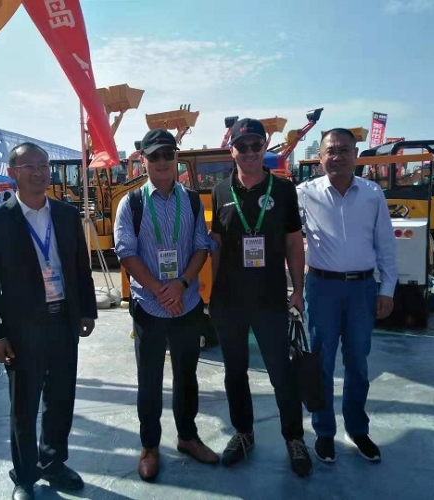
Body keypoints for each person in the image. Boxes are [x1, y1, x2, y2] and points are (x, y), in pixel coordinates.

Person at [0, 142, 98, 500]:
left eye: (43, 165)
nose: (38, 172)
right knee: (24, 405)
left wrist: (87, 309)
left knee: (61, 398)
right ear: (12, 173)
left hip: (63, 321)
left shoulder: (66, 215)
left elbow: (80, 267)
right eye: (29, 166)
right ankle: (25, 476)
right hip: (22, 328)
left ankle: (54, 462)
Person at [114, 129, 220, 482]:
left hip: (186, 304)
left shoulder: (192, 201)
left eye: (168, 154)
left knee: (187, 376)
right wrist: (161, 290)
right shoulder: (131, 203)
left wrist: (181, 284)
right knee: (149, 379)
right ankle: (149, 446)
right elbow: (126, 252)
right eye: (154, 155)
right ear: (143, 161)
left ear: (177, 158)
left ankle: (188, 437)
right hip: (150, 306)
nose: (162, 161)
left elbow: (201, 246)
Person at [209, 118, 313, 477]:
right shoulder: (220, 191)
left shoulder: (283, 189)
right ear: (232, 150)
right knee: (235, 372)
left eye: (257, 145)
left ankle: (294, 438)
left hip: (270, 299)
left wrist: (298, 290)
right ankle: (243, 433)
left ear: (265, 147)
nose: (250, 152)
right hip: (229, 301)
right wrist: (212, 293)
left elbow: (293, 243)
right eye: (243, 146)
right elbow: (217, 245)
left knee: (281, 373)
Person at [296, 128, 398, 465]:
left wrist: (387, 289)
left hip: (361, 289)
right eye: (330, 151)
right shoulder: (304, 193)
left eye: (344, 150)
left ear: (356, 154)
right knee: (322, 363)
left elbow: (386, 245)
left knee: (357, 363)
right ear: (320, 157)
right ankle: (324, 432)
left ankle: (357, 429)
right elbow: (286, 238)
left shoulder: (372, 193)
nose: (337, 157)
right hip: (321, 288)